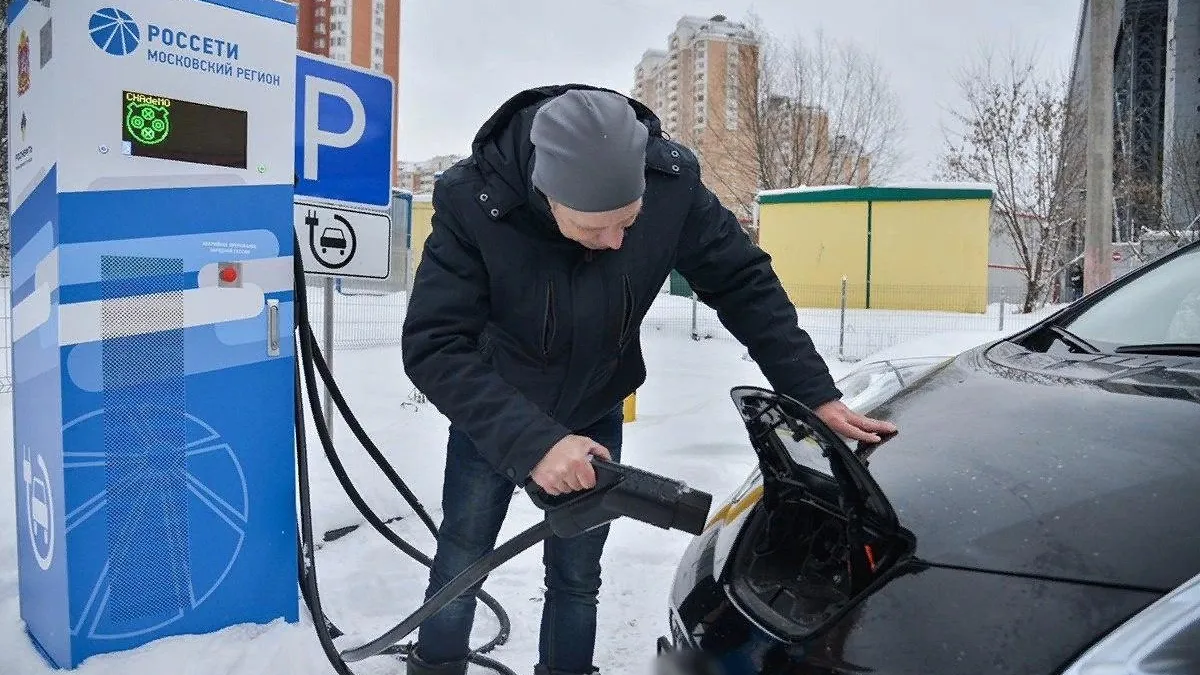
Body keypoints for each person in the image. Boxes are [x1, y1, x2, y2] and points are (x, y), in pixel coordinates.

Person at [399, 84, 896, 675]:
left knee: (578, 575)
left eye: (628, 225)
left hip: (595, 406)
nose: (615, 243)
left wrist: (814, 391)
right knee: (462, 554)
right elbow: (435, 345)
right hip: (497, 417)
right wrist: (533, 444)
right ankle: (436, 666)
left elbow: (743, 283)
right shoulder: (474, 201)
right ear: (545, 194)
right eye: (593, 228)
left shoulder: (669, 183)